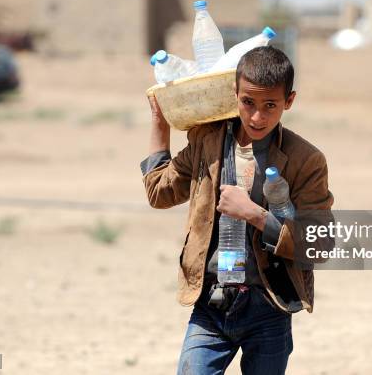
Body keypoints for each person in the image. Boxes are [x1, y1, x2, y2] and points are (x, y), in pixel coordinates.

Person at [141, 46, 334, 374]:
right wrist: (160, 121)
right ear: (235, 95)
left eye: (270, 105)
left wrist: (255, 215)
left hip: (269, 305)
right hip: (211, 304)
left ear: (289, 101)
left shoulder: (305, 160)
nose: (258, 117)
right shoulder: (207, 142)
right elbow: (159, 192)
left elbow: (320, 243)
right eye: (249, 103)